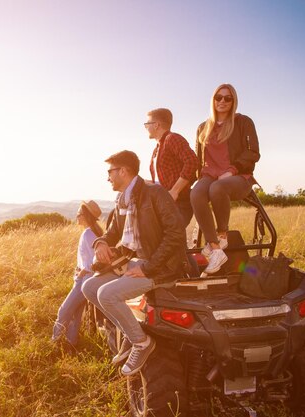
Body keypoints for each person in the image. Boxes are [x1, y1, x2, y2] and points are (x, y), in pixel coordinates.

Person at [82, 150, 186, 376]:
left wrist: (148, 268)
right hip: (135, 260)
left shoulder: (155, 193)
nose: (107, 177)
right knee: (88, 287)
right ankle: (131, 334)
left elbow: (176, 235)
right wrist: (100, 243)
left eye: (110, 172)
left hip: (161, 267)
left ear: (123, 171)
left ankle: (141, 343)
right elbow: (112, 232)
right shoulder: (123, 198)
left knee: (106, 295)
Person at [190, 83, 260, 275]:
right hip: (209, 175)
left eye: (227, 98)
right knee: (196, 193)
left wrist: (233, 169)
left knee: (217, 188)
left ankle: (222, 234)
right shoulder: (202, 127)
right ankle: (215, 248)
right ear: (212, 100)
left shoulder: (243, 122)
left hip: (238, 177)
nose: (222, 101)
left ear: (233, 101)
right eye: (218, 97)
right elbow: (198, 160)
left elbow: (253, 152)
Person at [52, 200, 104, 348]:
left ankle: (55, 341)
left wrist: (83, 271)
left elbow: (97, 257)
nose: (77, 216)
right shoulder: (91, 232)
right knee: (76, 314)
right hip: (84, 279)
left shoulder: (88, 234)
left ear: (86, 216)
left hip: (84, 281)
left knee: (64, 310)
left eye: (79, 214)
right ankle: (70, 344)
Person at [145, 108, 198, 226]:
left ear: (156, 125)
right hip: (163, 204)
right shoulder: (157, 149)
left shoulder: (172, 138)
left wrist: (175, 191)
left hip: (179, 204)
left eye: (147, 124)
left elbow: (192, 161)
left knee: (167, 238)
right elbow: (162, 182)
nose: (146, 127)